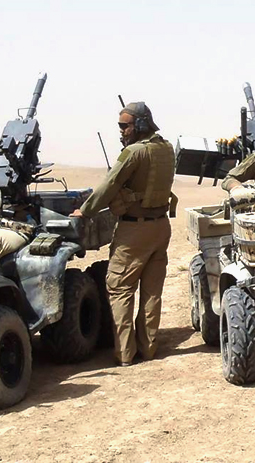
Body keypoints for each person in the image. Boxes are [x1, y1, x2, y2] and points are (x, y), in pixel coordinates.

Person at [71, 102, 175, 367]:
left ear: (140, 124)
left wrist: (85, 211)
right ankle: (148, 349)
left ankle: (125, 353)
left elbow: (109, 185)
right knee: (151, 292)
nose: (121, 131)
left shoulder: (133, 153)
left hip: (134, 231)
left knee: (120, 289)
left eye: (124, 126)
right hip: (160, 227)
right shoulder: (166, 148)